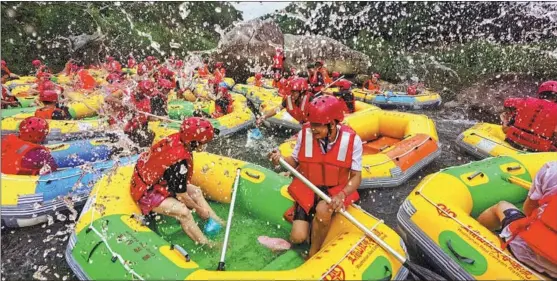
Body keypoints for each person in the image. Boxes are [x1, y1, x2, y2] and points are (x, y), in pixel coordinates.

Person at [268, 95, 362, 258]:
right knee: (297, 237)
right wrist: (280, 160)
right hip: (308, 186)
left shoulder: (352, 140)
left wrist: (342, 195)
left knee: (323, 210)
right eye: (312, 124)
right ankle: (306, 223)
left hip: (334, 190)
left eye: (317, 125)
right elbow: (295, 161)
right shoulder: (306, 133)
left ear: (332, 124)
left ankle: (313, 253)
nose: (313, 129)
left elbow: (356, 176)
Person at [130, 117, 224, 246]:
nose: (205, 145)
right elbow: (182, 196)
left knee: (196, 191)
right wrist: (198, 210)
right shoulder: (179, 163)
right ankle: (208, 244)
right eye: (204, 142)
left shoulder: (179, 139)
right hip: (147, 191)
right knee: (184, 213)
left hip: (159, 181)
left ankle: (217, 220)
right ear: (194, 143)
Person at [477, 161, 557, 278]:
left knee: (502, 206)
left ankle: (475, 232)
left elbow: (528, 210)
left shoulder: (551, 170)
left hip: (522, 250)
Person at [500, 81, 557, 152]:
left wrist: (509, 117)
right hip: (538, 149)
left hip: (513, 141)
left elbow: (507, 102)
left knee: (508, 116)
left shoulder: (526, 100)